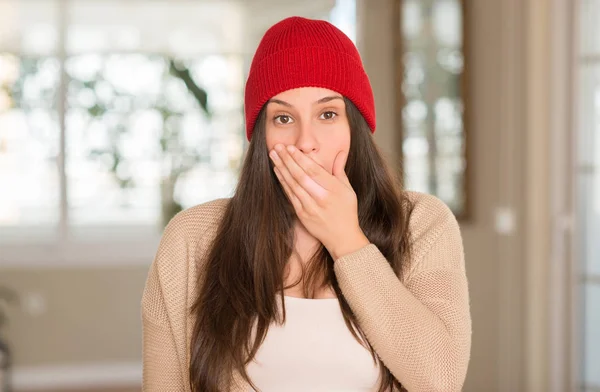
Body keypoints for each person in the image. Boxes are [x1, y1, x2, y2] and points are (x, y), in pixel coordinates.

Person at [141, 16, 471, 392]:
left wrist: (347, 241)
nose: (305, 141)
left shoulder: (422, 223)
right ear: (261, 137)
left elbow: (441, 380)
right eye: (283, 118)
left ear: (356, 126)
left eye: (327, 114)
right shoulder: (191, 238)